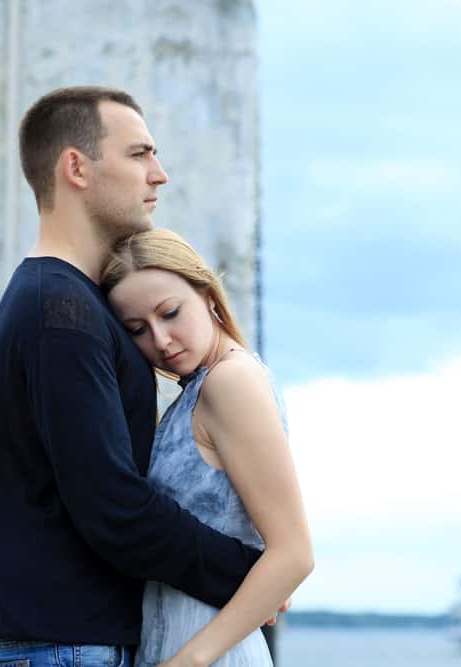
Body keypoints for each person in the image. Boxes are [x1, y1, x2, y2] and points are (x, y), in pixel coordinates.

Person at [0, 86, 273, 667]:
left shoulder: (63, 301)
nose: (159, 174)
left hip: (55, 644)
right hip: (57, 648)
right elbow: (113, 506)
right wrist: (248, 576)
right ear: (76, 167)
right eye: (139, 154)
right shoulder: (61, 310)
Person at [101, 229, 314, 667]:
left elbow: (293, 554)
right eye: (137, 330)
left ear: (209, 295)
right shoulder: (200, 389)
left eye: (171, 313)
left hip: (209, 651)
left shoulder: (230, 381)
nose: (160, 340)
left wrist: (191, 660)